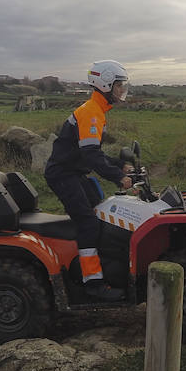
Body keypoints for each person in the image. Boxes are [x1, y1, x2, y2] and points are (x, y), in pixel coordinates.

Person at [44, 60, 133, 302]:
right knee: (88, 223)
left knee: (100, 211)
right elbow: (91, 155)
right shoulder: (91, 113)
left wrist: (119, 164)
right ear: (104, 84)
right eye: (118, 85)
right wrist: (119, 177)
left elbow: (93, 152)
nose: (121, 90)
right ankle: (93, 282)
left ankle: (104, 263)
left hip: (73, 172)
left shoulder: (97, 110)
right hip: (63, 174)